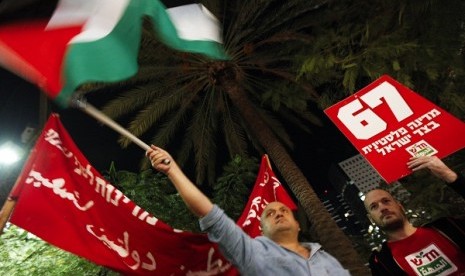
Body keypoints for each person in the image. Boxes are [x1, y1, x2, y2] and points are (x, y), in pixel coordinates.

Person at [146, 145, 350, 276]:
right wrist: (172, 169)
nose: (278, 213)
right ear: (262, 228)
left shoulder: (324, 257)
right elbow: (211, 215)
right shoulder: (252, 253)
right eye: (269, 213)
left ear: (297, 225)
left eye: (283, 210)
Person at [364, 155, 465, 275]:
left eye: (386, 201)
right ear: (371, 219)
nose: (382, 208)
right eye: (374, 207)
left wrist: (449, 176)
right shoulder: (381, 263)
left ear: (400, 206)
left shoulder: (447, 227)